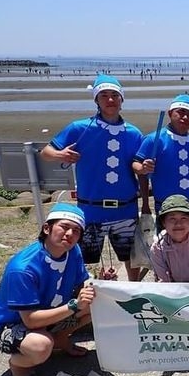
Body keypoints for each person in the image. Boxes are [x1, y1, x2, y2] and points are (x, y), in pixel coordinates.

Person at [40, 75, 145, 281]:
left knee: (131, 258)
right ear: (96, 100)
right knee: (86, 260)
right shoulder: (80, 128)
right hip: (90, 209)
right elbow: (46, 151)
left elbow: (139, 169)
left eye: (115, 95)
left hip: (126, 207)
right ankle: (88, 298)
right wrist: (60, 155)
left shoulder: (133, 133)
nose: (110, 100)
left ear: (122, 100)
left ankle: (134, 292)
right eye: (104, 95)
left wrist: (146, 202)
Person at [0, 203, 95, 376]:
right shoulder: (23, 269)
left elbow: (83, 281)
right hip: (9, 324)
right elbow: (31, 320)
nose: (69, 234)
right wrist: (74, 305)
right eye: (64, 227)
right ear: (47, 228)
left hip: (48, 311)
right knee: (40, 346)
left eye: (76, 230)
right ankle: (19, 366)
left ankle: (60, 339)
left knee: (97, 302)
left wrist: (99, 285)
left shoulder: (73, 251)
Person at [132, 94, 189, 222]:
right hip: (166, 207)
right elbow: (136, 166)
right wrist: (142, 168)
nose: (185, 117)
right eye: (181, 112)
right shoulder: (154, 139)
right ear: (170, 114)